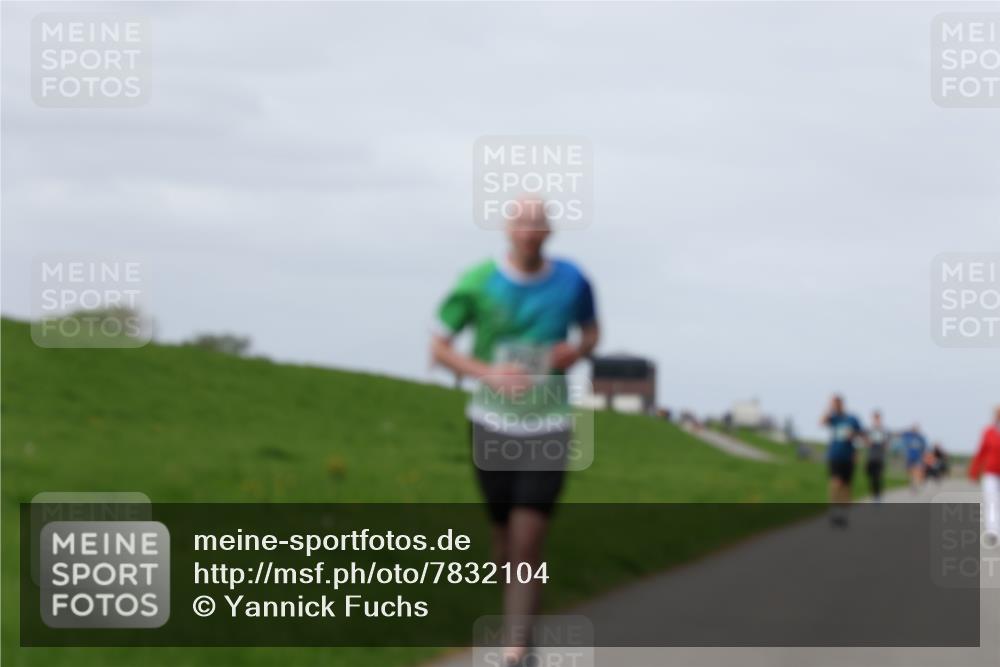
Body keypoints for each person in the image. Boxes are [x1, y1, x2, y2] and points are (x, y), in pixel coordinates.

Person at [430, 197, 599, 664]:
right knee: (504, 538)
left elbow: (591, 332)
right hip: (490, 422)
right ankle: (519, 626)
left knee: (529, 537)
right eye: (520, 222)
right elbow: (439, 347)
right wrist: (487, 373)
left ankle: (516, 650)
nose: (528, 230)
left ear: (549, 232)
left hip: (549, 423)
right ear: (507, 229)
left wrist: (575, 351)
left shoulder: (573, 281)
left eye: (537, 223)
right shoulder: (478, 282)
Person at [821, 395, 864, 527]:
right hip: (835, 455)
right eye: (833, 404)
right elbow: (822, 422)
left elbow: (861, 435)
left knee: (846, 486)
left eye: (836, 404)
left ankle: (843, 513)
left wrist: (854, 437)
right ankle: (834, 510)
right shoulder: (834, 418)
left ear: (842, 404)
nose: (835, 406)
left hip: (848, 456)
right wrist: (828, 408)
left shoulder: (852, 419)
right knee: (835, 482)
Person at [969, 406, 1000, 547]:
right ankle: (993, 531)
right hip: (991, 473)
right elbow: (981, 452)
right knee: (992, 501)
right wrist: (974, 471)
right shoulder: (989, 432)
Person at [864, 410, 890, 501]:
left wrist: (884, 444)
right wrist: (869, 442)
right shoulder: (869, 430)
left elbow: (887, 445)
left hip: (880, 457)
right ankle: (873, 494)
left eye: (878, 418)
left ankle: (878, 496)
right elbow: (865, 442)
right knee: (871, 477)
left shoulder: (884, 431)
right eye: (875, 418)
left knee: (878, 476)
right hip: (871, 457)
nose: (877, 420)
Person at [900, 424, 929, 492]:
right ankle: (912, 483)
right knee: (910, 471)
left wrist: (924, 456)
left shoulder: (920, 438)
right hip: (910, 457)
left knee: (917, 471)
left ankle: (915, 484)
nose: (915, 430)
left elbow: (924, 447)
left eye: (916, 429)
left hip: (918, 457)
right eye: (913, 429)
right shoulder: (908, 436)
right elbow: (902, 433)